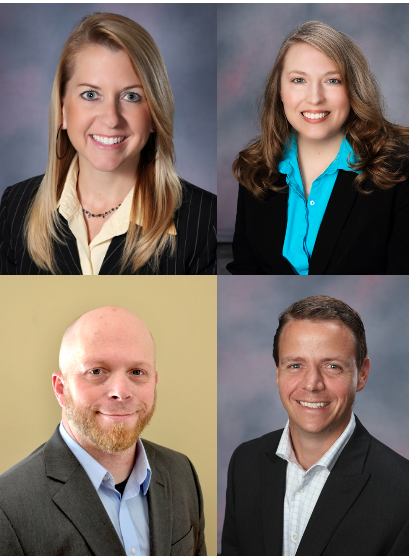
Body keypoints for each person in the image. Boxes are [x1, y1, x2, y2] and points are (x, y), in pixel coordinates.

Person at [0, 12, 216, 275]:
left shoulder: (204, 219)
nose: (111, 119)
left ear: (154, 114)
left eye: (131, 96)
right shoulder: (15, 206)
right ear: (62, 109)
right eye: (90, 94)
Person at [0, 306, 206, 555]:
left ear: (154, 381)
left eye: (137, 372)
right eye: (96, 371)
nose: (121, 391)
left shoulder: (182, 472)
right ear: (60, 389)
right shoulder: (7, 506)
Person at [221, 295, 409, 555]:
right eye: (295, 365)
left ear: (362, 374)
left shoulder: (402, 491)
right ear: (278, 373)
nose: (312, 384)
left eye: (332, 366)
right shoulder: (245, 462)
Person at [226, 20, 409, 275]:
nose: (314, 98)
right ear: (279, 90)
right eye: (299, 80)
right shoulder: (254, 166)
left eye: (332, 81)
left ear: (353, 89)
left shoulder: (399, 165)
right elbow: (246, 269)